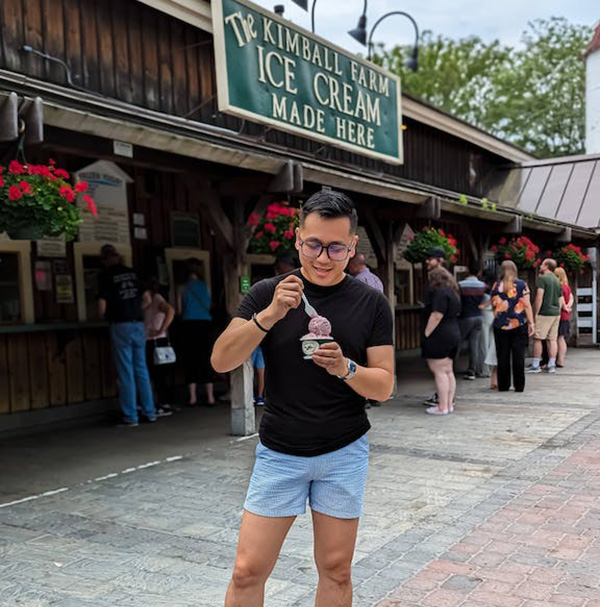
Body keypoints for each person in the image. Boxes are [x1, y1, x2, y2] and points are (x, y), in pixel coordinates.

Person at [211, 190, 395, 607]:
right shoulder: (268, 293)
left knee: (336, 570)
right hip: (280, 452)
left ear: (352, 246)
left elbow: (383, 385)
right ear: (297, 239)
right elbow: (222, 360)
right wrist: (270, 315)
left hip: (343, 451)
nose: (323, 257)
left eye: (335, 247)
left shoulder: (371, 303)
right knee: (246, 572)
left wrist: (344, 368)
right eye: (313, 244)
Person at [98, 244, 156, 426]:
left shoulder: (105, 276)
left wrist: (109, 315)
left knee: (126, 372)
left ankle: (130, 416)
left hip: (120, 325)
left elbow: (102, 307)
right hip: (138, 324)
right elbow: (147, 299)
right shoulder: (134, 273)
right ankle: (150, 411)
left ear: (105, 259)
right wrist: (135, 310)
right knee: (142, 370)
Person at [421, 260, 462, 415]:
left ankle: (442, 407)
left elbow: (437, 315)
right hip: (454, 332)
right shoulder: (453, 291)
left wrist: (426, 333)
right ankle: (449, 404)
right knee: (448, 371)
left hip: (440, 335)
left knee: (439, 370)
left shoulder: (439, 292)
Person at [491, 260, 535, 392]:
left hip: (500, 324)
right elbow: (527, 305)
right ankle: (519, 385)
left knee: (502, 355)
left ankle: (503, 385)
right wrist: (531, 322)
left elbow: (494, 305)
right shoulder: (522, 285)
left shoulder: (496, 285)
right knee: (518, 355)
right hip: (518, 323)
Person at [177, 260, 216, 406]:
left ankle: (192, 397)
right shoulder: (206, 286)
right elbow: (208, 305)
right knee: (206, 359)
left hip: (189, 325)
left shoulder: (182, 288)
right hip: (205, 324)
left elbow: (179, 310)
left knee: (191, 360)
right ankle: (210, 397)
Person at [143, 278, 175, 417]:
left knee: (157, 374)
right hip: (152, 339)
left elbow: (170, 311)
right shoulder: (149, 300)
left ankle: (162, 403)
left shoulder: (156, 298)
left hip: (155, 340)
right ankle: (160, 402)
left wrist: (161, 329)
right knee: (156, 373)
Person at [527, 258, 564, 374]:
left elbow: (539, 297)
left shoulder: (542, 279)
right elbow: (560, 299)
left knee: (538, 338)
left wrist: (535, 312)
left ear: (547, 266)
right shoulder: (557, 281)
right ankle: (551, 364)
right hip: (555, 313)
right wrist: (558, 310)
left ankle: (536, 365)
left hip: (544, 312)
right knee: (552, 339)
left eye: (542, 264)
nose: (541, 265)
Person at [457, 264, 487, 380]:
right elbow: (490, 297)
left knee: (457, 342)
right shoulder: (483, 286)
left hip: (465, 316)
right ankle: (472, 371)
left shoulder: (461, 285)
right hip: (479, 316)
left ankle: (450, 367)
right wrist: (483, 306)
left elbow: (457, 300)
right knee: (474, 345)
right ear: (478, 273)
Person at [479, 269, 498, 390]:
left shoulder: (484, 288)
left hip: (485, 314)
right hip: (494, 313)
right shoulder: (496, 286)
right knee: (491, 342)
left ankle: (485, 369)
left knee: (483, 343)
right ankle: (491, 368)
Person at [554, 266, 574, 368]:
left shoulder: (559, 287)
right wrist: (568, 306)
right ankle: (561, 359)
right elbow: (571, 298)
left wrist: (564, 307)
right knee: (562, 338)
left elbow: (560, 299)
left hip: (560, 315)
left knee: (558, 338)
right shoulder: (567, 287)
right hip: (566, 315)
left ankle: (559, 360)